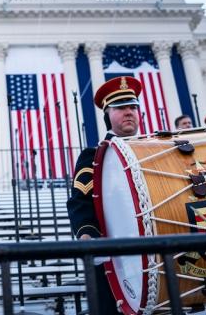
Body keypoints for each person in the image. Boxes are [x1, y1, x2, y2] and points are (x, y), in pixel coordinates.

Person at [67, 76, 142, 312]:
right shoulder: (95, 158)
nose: (129, 112)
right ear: (107, 115)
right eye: (120, 108)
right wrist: (89, 237)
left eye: (133, 107)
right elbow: (80, 203)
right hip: (114, 260)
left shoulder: (153, 153)